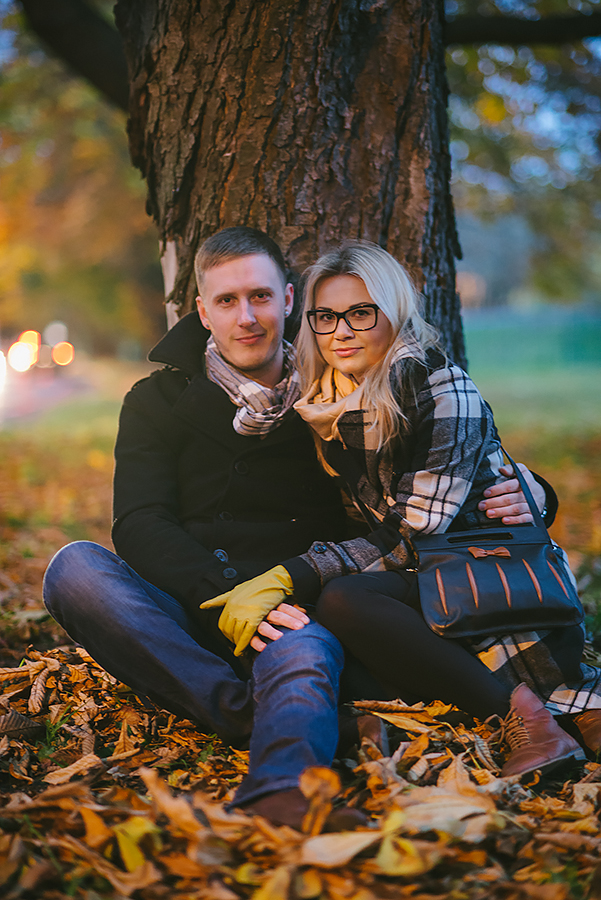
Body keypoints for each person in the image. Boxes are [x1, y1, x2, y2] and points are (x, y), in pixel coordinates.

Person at [43, 228, 556, 829]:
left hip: (295, 599)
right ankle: (275, 716)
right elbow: (138, 523)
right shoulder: (155, 400)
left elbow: (443, 456)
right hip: (189, 591)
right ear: (202, 312)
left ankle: (281, 788)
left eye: (260, 297)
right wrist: (228, 588)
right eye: (228, 302)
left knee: (305, 650)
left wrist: (532, 493)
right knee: (74, 568)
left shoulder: (334, 387)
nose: (247, 318)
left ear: (288, 301)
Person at [205, 239, 601, 779]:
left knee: (343, 598)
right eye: (325, 317)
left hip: (484, 576)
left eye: (360, 313)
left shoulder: (439, 388)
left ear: (393, 314)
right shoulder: (326, 400)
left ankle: (531, 722)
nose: (341, 331)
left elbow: (415, 531)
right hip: (418, 580)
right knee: (325, 624)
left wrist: (292, 574)